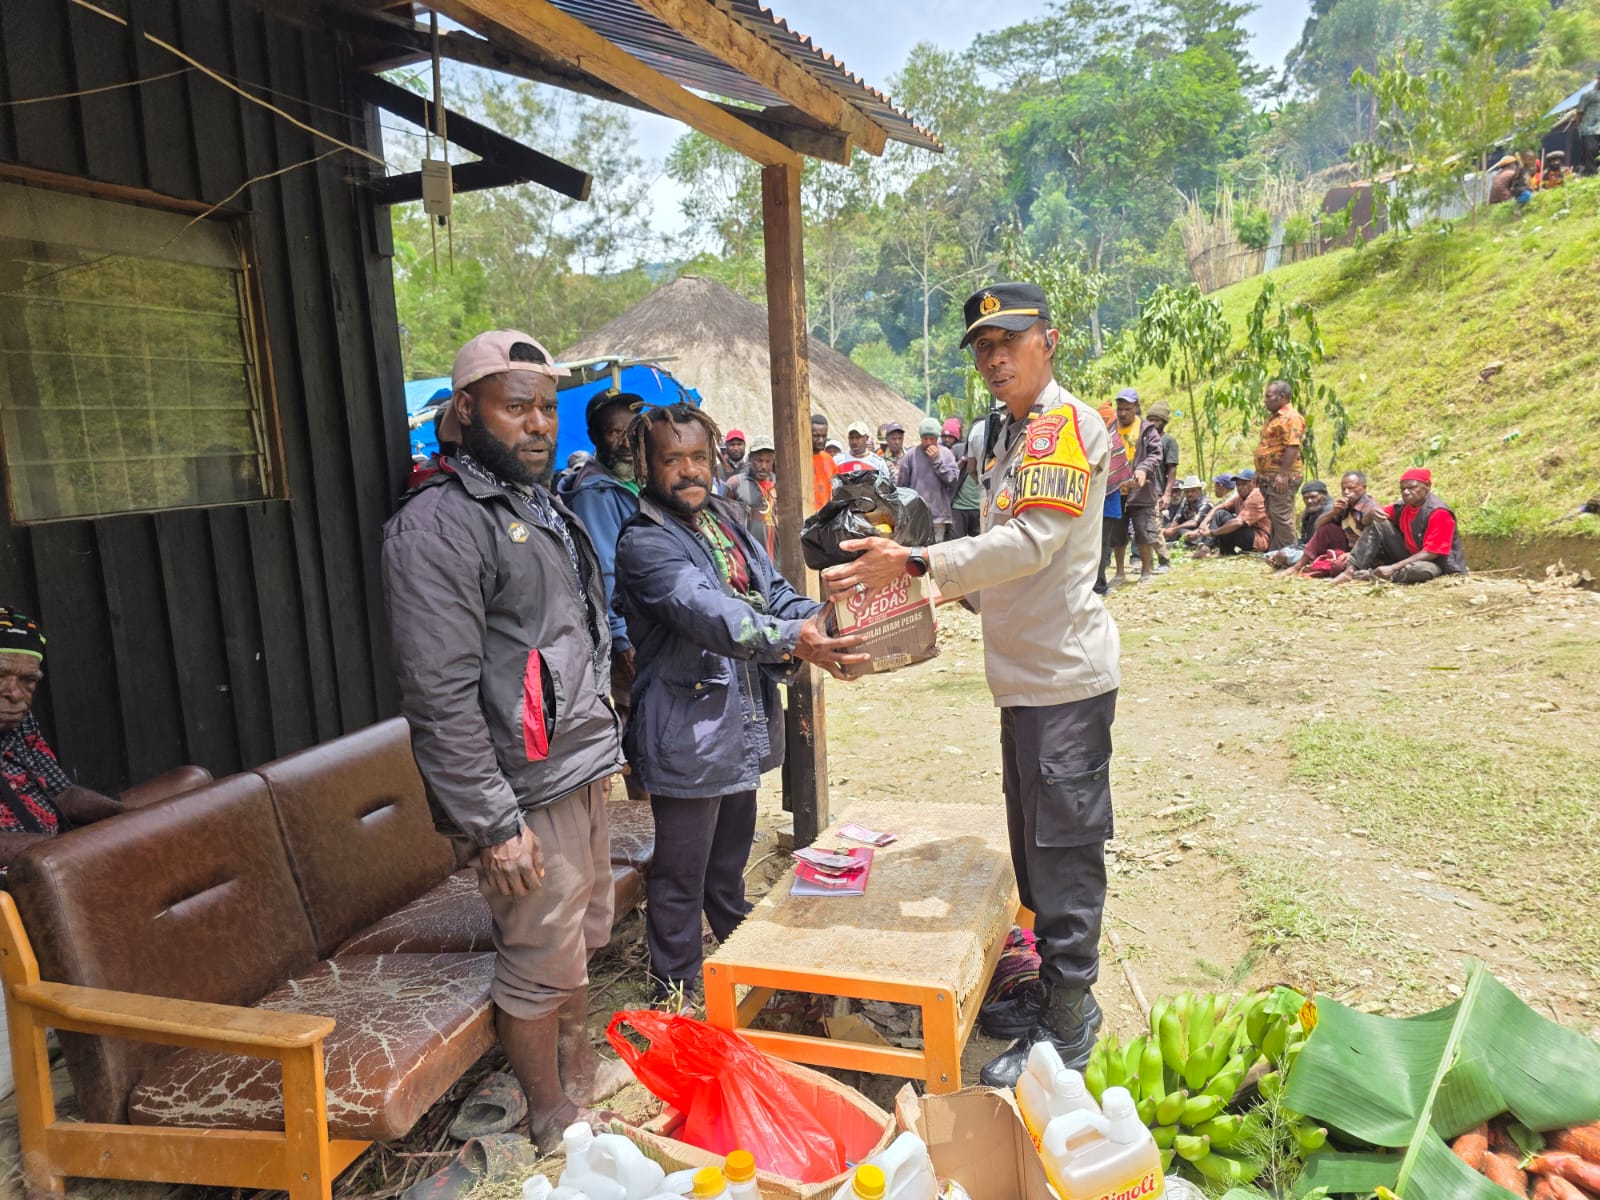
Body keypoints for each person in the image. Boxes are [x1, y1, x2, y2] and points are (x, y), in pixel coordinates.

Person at [821, 281, 1119, 1086]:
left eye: (1009, 341)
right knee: (1032, 843)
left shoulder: (1063, 426)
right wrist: (909, 588)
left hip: (1062, 680)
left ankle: (1070, 1019)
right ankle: (1053, 991)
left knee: (1064, 850)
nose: (994, 358)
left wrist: (919, 566)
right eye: (983, 346)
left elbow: (1030, 541)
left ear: (1047, 342)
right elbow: (991, 556)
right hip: (1022, 678)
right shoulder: (1004, 438)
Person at [381, 329, 630, 1152]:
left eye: (547, 408)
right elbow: (439, 695)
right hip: (523, 789)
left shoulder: (536, 502)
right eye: (516, 406)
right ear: (465, 409)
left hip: (579, 764)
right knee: (538, 959)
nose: (537, 424)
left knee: (580, 938)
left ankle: (577, 1065)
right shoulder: (439, 524)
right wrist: (492, 822)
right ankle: (549, 1111)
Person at [613, 404, 866, 1002]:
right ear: (646, 465)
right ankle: (674, 992)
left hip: (737, 723)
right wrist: (791, 638)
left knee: (727, 866)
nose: (689, 471)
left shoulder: (725, 521)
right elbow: (706, 611)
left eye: (698, 457)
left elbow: (773, 592)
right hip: (686, 732)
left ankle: (741, 959)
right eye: (672, 459)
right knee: (680, 876)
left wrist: (822, 621)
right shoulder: (644, 541)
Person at [559, 391, 647, 801]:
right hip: (628, 632)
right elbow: (605, 571)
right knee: (639, 717)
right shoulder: (593, 491)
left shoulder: (636, 481)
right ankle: (645, 814)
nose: (627, 440)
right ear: (595, 437)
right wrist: (622, 635)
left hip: (650, 624)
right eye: (615, 432)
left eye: (632, 431)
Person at [0, 607, 126, 869]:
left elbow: (62, 794)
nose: (14, 693)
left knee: (190, 781)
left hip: (58, 852)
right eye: (1, 675)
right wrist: (66, 850)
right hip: (28, 873)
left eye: (27, 681)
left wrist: (131, 820)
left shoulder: (21, 722)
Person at [1331, 467, 1469, 584]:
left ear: (1427, 486)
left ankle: (1375, 576)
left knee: (1419, 570)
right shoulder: (1401, 506)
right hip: (1408, 555)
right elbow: (1366, 522)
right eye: (1403, 489)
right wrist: (1371, 513)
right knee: (1378, 522)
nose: (1406, 492)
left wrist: (1394, 567)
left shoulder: (1439, 513)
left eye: (1412, 487)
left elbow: (1431, 552)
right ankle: (1350, 571)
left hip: (1435, 563)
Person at [1288, 470, 1381, 578]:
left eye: (1350, 488)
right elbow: (1318, 526)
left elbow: (1374, 541)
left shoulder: (1371, 507)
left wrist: (1352, 554)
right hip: (1347, 548)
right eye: (1343, 489)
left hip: (1364, 553)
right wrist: (1334, 512)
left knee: (1336, 566)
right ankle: (1297, 566)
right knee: (1327, 529)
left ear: (1363, 487)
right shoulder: (1345, 505)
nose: (1346, 492)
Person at [1115, 389, 1165, 584]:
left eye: (1127, 409)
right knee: (1117, 533)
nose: (1123, 413)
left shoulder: (1147, 430)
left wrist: (1143, 468)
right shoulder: (1111, 428)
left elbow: (1156, 454)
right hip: (1117, 489)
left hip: (1142, 489)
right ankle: (1119, 572)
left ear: (1136, 407)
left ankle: (1146, 571)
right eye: (1119, 409)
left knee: (1144, 530)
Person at [1255, 381, 1305, 551]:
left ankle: (1289, 554)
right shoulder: (1275, 417)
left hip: (1283, 477)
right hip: (1268, 477)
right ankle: (1277, 550)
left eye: (1268, 396)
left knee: (1281, 515)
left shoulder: (1292, 417)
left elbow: (1292, 446)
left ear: (1282, 397)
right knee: (1273, 514)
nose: (1265, 401)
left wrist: (1283, 474)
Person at [898, 416, 960, 542]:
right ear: (920, 438)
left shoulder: (946, 454)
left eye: (932, 439)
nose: (928, 442)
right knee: (917, 553)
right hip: (916, 517)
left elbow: (953, 480)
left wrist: (937, 461)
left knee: (936, 554)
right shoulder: (910, 456)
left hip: (939, 517)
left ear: (937, 439)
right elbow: (901, 487)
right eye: (925, 439)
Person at [1188, 468, 1269, 557]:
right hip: (1247, 534)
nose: (1240, 487)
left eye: (1244, 484)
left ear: (1253, 483)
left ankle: (1207, 549)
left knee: (1227, 522)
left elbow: (1238, 522)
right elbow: (1218, 507)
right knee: (1220, 513)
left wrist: (1212, 532)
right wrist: (1202, 525)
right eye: (1238, 485)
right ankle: (1222, 551)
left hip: (1259, 539)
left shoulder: (1256, 495)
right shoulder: (1240, 497)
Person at [725, 434, 779, 558]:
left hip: (777, 559)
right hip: (748, 558)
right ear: (750, 459)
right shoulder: (735, 484)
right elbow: (723, 522)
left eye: (768, 461)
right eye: (759, 460)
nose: (763, 466)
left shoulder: (779, 485)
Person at [1265, 480, 1332, 570]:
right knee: (1269, 555)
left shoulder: (1330, 511)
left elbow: (1317, 543)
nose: (1309, 501)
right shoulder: (1310, 511)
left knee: (1283, 555)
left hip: (1323, 551)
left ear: (1324, 495)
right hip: (1308, 548)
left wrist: (1284, 553)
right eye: (1306, 498)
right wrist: (1288, 549)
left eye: (1313, 497)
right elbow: (1304, 540)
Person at [1145, 400, 1178, 571]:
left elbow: (1171, 470)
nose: (1152, 423)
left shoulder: (1168, 442)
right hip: (1142, 491)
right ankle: (1146, 563)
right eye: (1149, 419)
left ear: (1163, 422)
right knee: (1141, 529)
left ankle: (1164, 560)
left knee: (1154, 528)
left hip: (1157, 491)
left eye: (1156, 420)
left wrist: (1167, 493)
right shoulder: (1143, 440)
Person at [949, 416, 985, 539]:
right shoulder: (958, 449)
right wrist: (964, 459)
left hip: (979, 508)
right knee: (955, 544)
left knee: (979, 546)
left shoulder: (992, 451)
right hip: (959, 507)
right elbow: (950, 475)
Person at [1160, 475, 1211, 544]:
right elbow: (1178, 519)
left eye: (1193, 491)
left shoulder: (1205, 503)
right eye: (1187, 491)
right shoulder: (1186, 502)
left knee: (1179, 530)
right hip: (1188, 531)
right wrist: (1168, 530)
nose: (1189, 494)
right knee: (1167, 527)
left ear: (1200, 490)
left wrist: (1174, 530)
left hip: (1201, 533)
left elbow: (1194, 523)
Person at [811, 413, 838, 510]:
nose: (821, 440)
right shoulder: (801, 460)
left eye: (824, 436)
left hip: (825, 516)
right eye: (816, 436)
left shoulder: (829, 460)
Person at [1577, 72, 1600, 175]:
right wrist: (1580, 127)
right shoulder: (1587, 94)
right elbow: (1579, 113)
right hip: (1589, 130)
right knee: (1591, 154)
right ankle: (1593, 177)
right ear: (1598, 78)